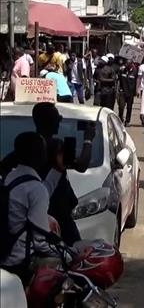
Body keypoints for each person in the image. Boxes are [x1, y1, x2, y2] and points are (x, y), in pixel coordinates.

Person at [32, 102, 93, 245]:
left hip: (37, 210)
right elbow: (82, 165)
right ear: (50, 121)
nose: (60, 120)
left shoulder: (32, 144)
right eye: (57, 117)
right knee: (77, 251)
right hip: (58, 211)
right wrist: (88, 139)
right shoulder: (55, 145)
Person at [1, 132, 56, 283]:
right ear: (40, 156)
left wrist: (57, 171)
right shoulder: (36, 189)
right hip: (19, 263)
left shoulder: (8, 178)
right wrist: (69, 254)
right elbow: (40, 243)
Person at [117, 60, 138, 127]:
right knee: (121, 106)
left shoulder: (135, 71)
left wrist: (137, 90)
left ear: (131, 64)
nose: (126, 65)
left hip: (130, 93)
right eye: (126, 63)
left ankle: (127, 121)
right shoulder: (122, 70)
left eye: (128, 64)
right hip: (122, 91)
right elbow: (118, 80)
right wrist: (118, 90)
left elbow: (137, 81)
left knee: (129, 107)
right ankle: (120, 119)